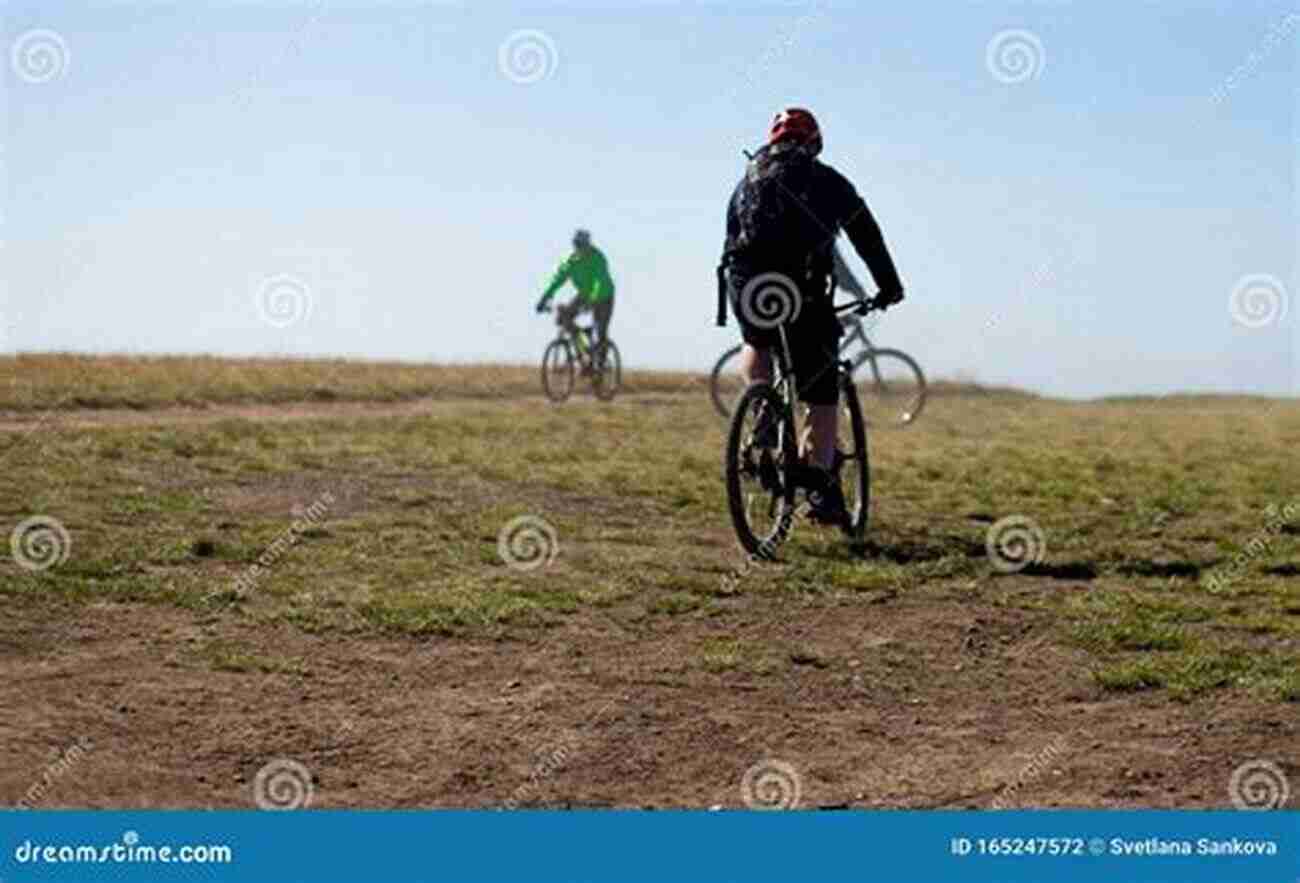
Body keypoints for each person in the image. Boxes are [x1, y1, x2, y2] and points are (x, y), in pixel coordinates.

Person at [718, 107, 905, 524]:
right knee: (820, 389)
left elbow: (729, 242)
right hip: (801, 289)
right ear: (814, 144)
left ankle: (762, 406)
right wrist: (888, 285)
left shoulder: (746, 180)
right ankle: (819, 485)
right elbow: (865, 234)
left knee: (757, 342)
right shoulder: (827, 180)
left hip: (748, 285)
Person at [536, 229, 616, 369]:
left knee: (601, 330)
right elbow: (557, 280)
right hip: (584, 295)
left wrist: (591, 301)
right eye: (577, 245)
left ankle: (601, 364)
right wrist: (544, 298)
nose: (579, 248)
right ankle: (583, 349)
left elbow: (599, 282)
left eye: (582, 245)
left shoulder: (597, 258)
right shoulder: (571, 261)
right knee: (564, 317)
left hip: (604, 296)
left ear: (588, 244)